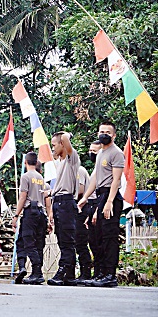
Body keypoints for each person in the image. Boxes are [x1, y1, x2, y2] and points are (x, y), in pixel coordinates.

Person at [78, 122, 124, 287]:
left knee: (110, 237)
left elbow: (116, 180)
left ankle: (110, 275)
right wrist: (85, 197)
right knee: (99, 237)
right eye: (101, 131)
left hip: (111, 196)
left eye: (108, 132)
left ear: (114, 135)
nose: (104, 134)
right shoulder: (100, 154)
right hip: (100, 195)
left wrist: (109, 201)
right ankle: (102, 273)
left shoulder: (116, 153)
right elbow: (95, 178)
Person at [12, 152, 52, 285]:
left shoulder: (26, 176)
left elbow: (23, 197)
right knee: (38, 243)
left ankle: (37, 271)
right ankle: (33, 271)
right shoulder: (40, 177)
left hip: (30, 212)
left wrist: (16, 215)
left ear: (25, 162)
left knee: (28, 242)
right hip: (40, 213)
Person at [47, 132, 80, 286]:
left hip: (67, 203)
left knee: (67, 240)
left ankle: (63, 270)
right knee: (62, 240)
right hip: (58, 202)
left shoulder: (71, 159)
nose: (52, 148)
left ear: (62, 144)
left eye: (54, 145)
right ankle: (70, 274)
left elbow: (66, 139)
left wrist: (66, 135)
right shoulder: (60, 163)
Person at [84, 140, 103, 282]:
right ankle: (96, 274)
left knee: (99, 243)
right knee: (92, 243)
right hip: (90, 207)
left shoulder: (103, 169)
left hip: (99, 205)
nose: (91, 154)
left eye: (94, 152)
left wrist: (96, 210)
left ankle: (100, 273)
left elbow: (101, 193)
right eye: (90, 151)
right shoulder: (95, 169)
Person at [74, 159, 93, 283]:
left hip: (83, 207)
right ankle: (83, 271)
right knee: (77, 242)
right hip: (77, 208)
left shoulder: (79, 170)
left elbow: (80, 190)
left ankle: (86, 272)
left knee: (81, 242)